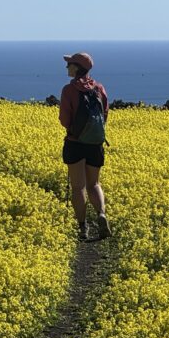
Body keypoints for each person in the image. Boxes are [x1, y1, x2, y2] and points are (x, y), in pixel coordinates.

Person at [59, 51, 112, 241]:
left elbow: (65, 120)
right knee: (94, 184)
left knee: (78, 187)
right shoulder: (99, 88)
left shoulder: (69, 90)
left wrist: (76, 129)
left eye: (70, 64)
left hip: (75, 143)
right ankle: (101, 215)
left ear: (77, 68)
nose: (67, 67)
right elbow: (105, 114)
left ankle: (83, 227)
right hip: (95, 143)